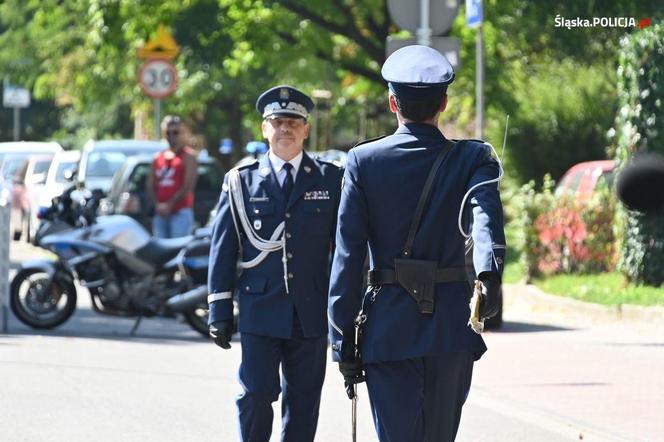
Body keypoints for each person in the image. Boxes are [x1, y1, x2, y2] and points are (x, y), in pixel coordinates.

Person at [328, 45, 505, 441]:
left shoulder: (363, 161)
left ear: (393, 103)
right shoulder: (474, 159)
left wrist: (343, 341)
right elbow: (485, 221)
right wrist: (489, 273)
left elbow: (347, 256)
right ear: (443, 102)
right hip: (449, 327)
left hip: (388, 329)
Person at [207, 85, 343, 442]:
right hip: (260, 307)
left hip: (310, 311)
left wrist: (348, 309)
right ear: (264, 128)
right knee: (255, 394)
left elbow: (347, 250)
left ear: (306, 129)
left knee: (303, 403)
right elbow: (224, 248)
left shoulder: (331, 180)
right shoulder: (241, 181)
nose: (286, 129)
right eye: (278, 121)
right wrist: (219, 309)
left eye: (294, 122)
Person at [146, 115, 198, 238]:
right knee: (161, 252)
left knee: (178, 250)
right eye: (168, 133)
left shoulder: (189, 156)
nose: (171, 136)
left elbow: (188, 186)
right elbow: (150, 184)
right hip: (160, 213)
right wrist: (158, 205)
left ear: (181, 133)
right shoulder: (157, 158)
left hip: (180, 212)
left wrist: (169, 204)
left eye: (175, 132)